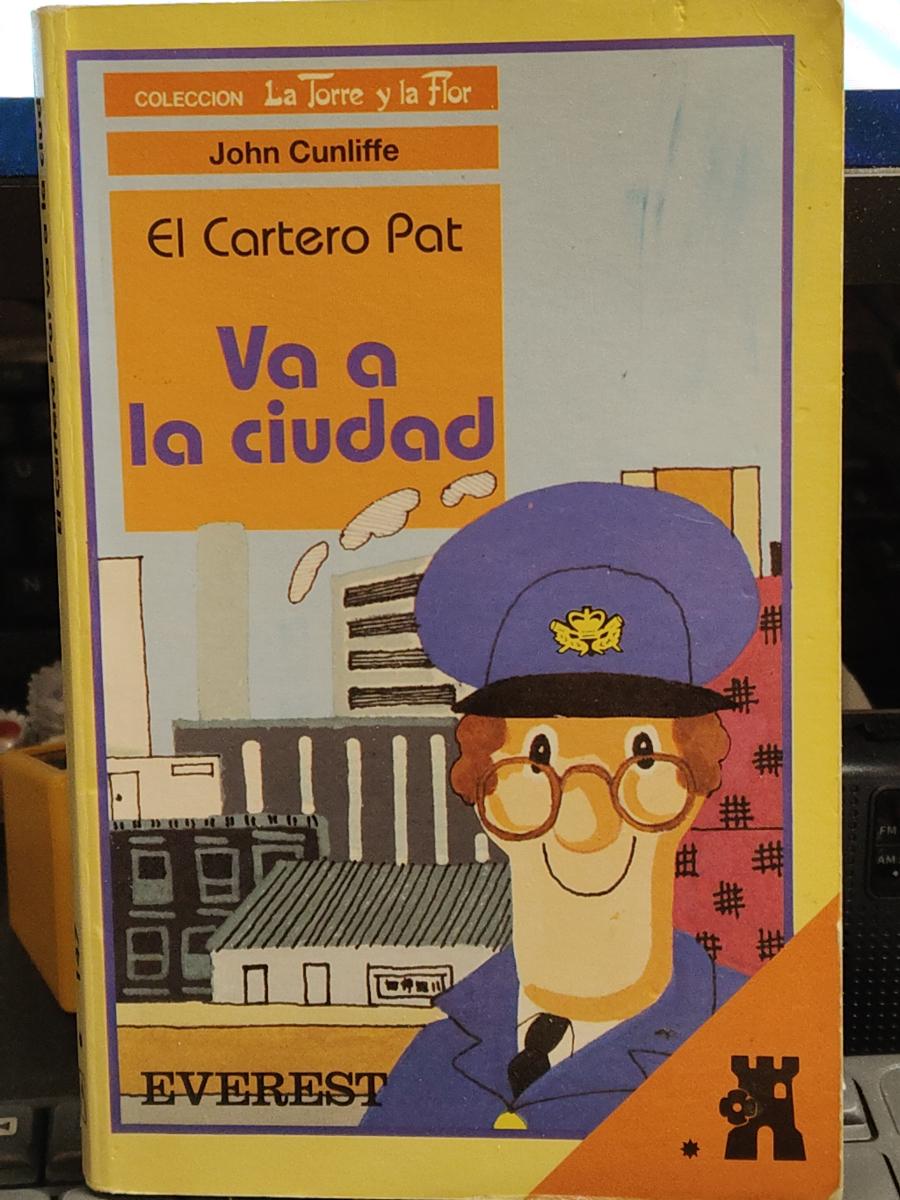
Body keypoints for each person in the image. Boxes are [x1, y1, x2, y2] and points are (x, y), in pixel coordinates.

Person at [362, 481, 759, 1138]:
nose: (586, 822)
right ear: (484, 793)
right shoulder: (431, 1058)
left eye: (641, 760)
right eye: (538, 761)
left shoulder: (747, 1035)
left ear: (694, 789)